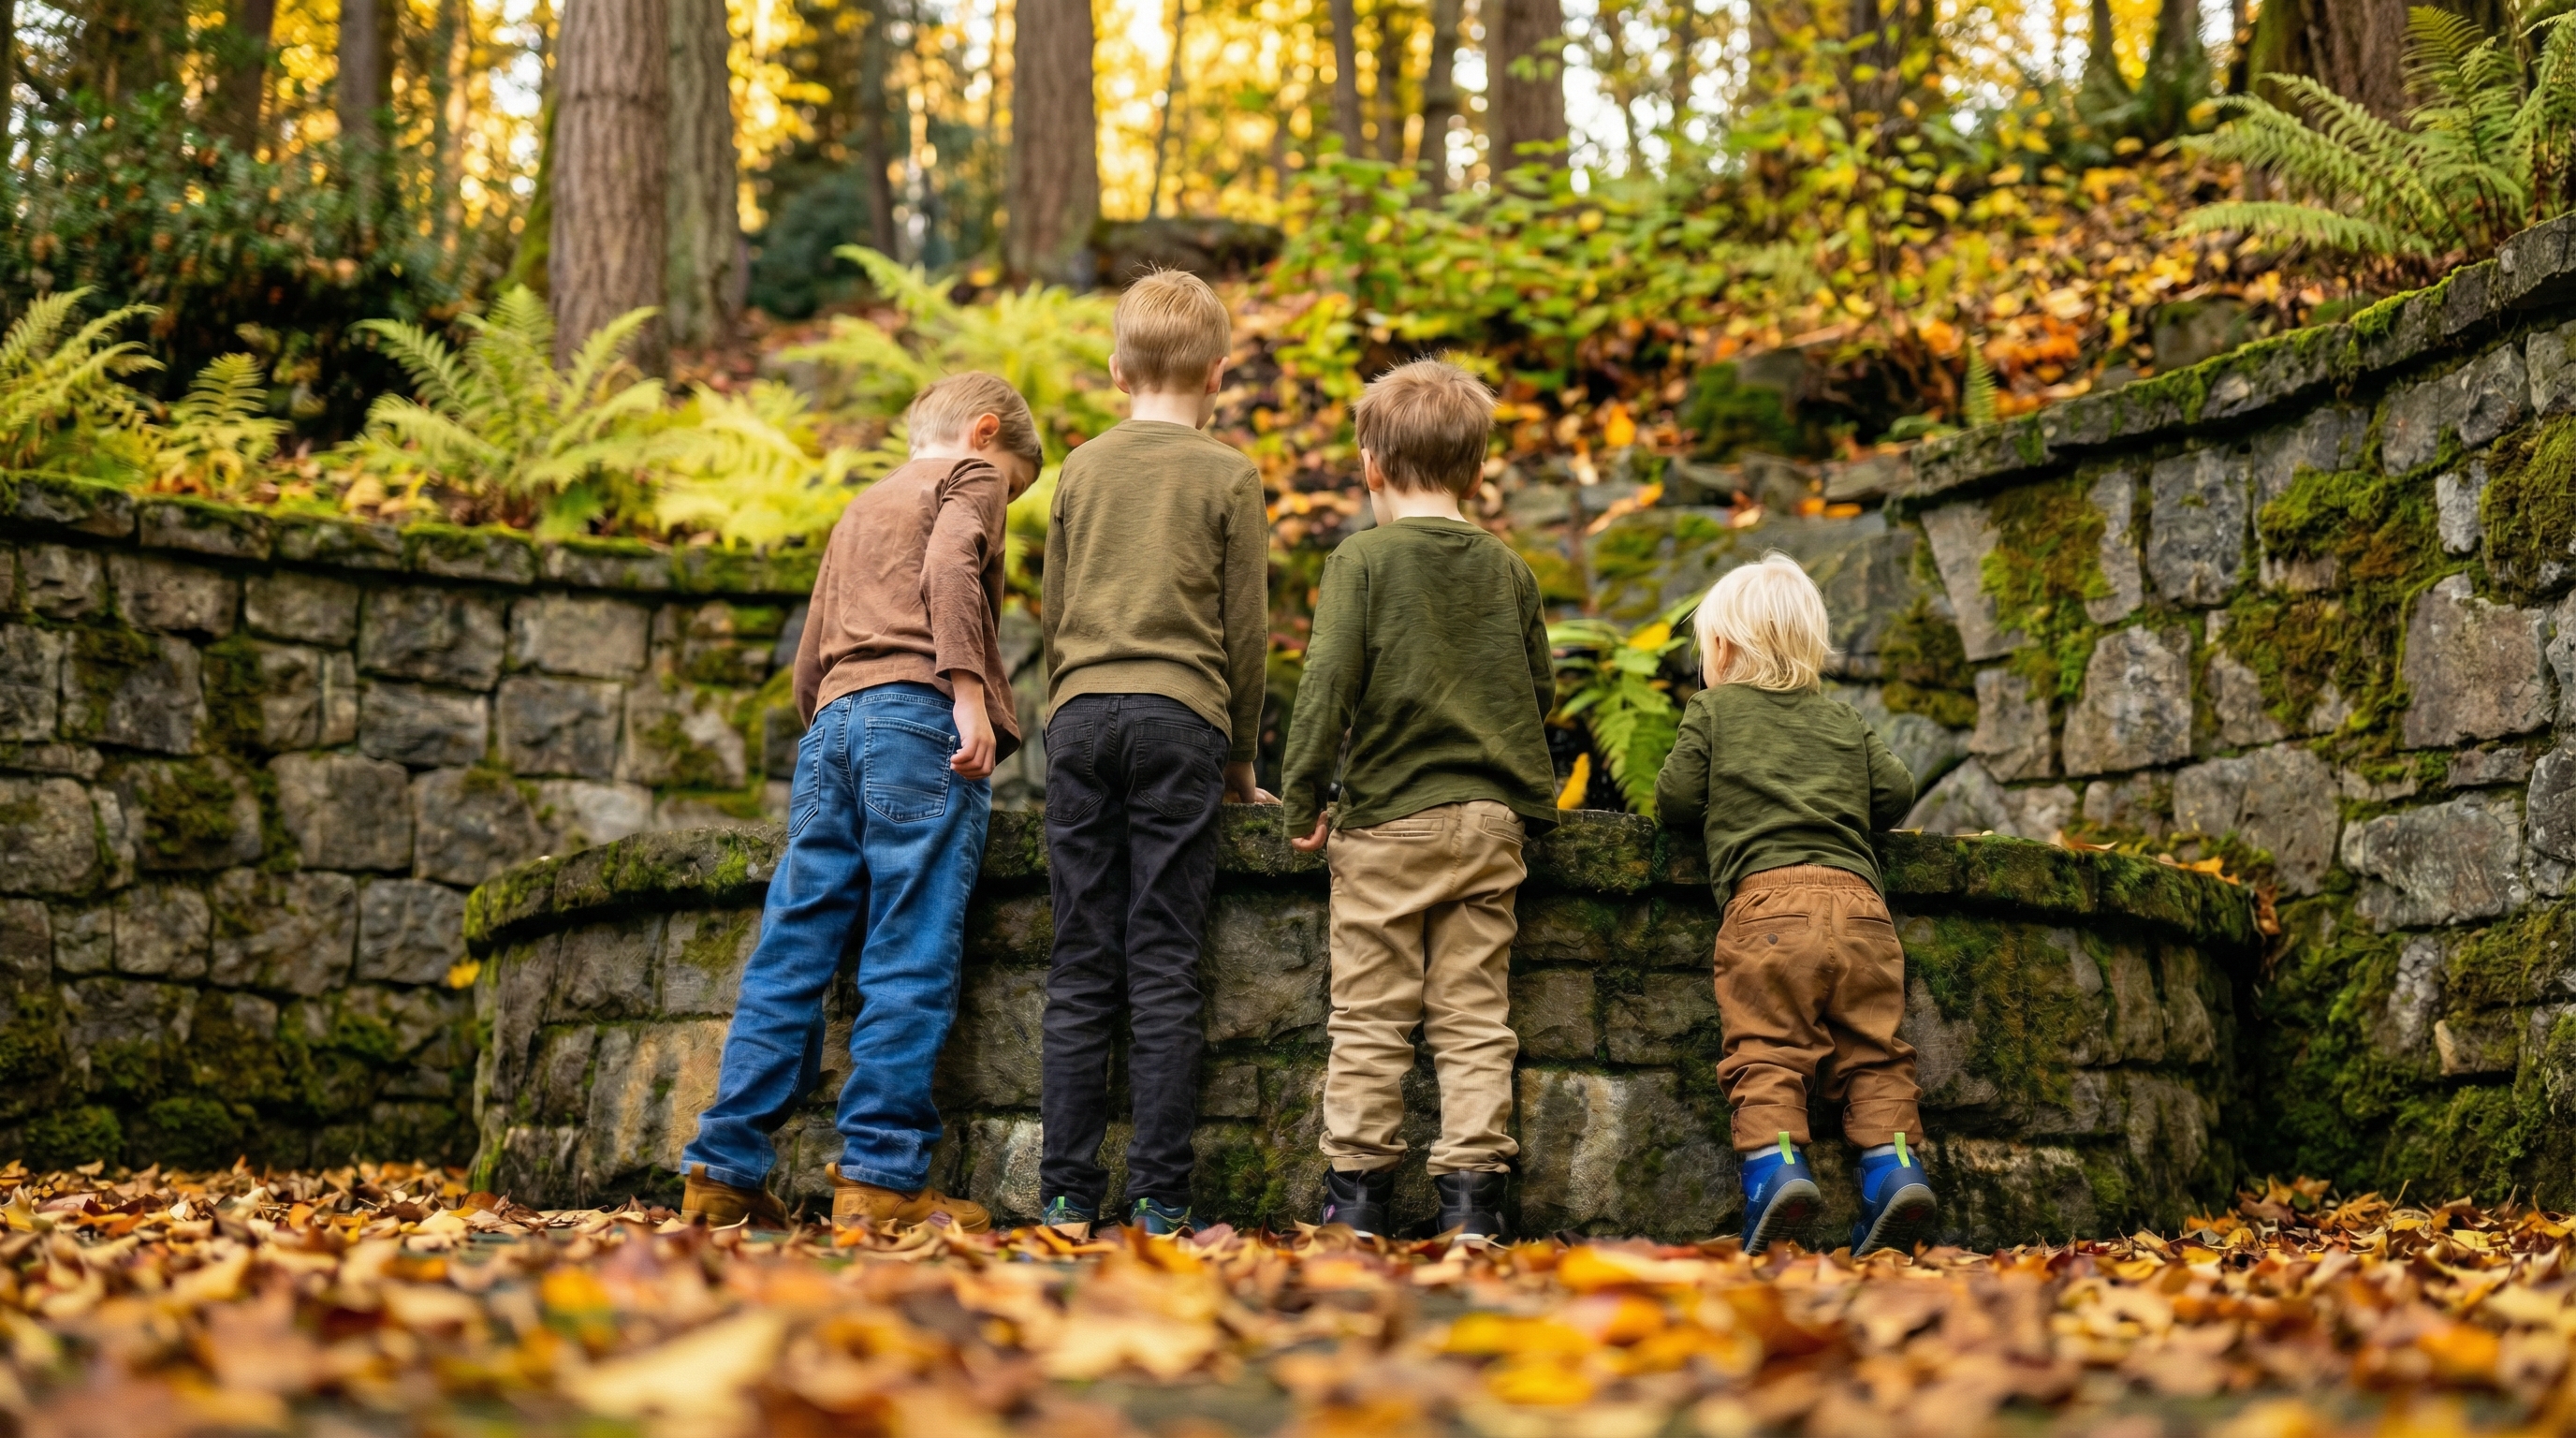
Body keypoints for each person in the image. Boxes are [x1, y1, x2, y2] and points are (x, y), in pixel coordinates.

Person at [678, 373, 1041, 1234]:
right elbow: (954, 562)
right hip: (920, 715)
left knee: (793, 946)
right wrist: (965, 693)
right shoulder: (972, 478)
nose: (1008, 502)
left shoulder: (861, 505)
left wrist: (834, 732)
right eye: (1019, 485)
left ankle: (722, 1169)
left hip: (832, 726)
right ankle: (880, 1175)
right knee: (909, 946)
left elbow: (810, 654)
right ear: (985, 434)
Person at [1280, 359, 1558, 1243]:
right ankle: (1473, 1204)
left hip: (1387, 823)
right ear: (1475, 471)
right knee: (1476, 1018)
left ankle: (1356, 1200)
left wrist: (1301, 800)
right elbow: (1537, 688)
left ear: (1371, 466)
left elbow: (1326, 684)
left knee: (1371, 1016)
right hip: (1487, 823)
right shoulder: (1509, 569)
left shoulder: (1362, 559)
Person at [1038, 269, 1276, 1239]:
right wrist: (1241, 762)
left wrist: (1070, 699)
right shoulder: (1228, 475)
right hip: (1185, 724)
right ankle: (1161, 1199)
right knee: (1166, 960)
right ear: (1218, 375)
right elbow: (1246, 633)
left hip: (1083, 716)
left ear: (1114, 371)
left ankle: (1062, 1193)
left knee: (1082, 958)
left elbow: (1054, 609)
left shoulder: (1082, 469)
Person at [1653, 552, 1932, 1257]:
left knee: (1769, 1050)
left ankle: (1776, 1170)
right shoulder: (1843, 719)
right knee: (1875, 1054)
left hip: (1767, 909)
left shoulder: (1713, 712)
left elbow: (1675, 803)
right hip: (1864, 913)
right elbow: (1896, 796)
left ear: (1718, 648)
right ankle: (1894, 1168)